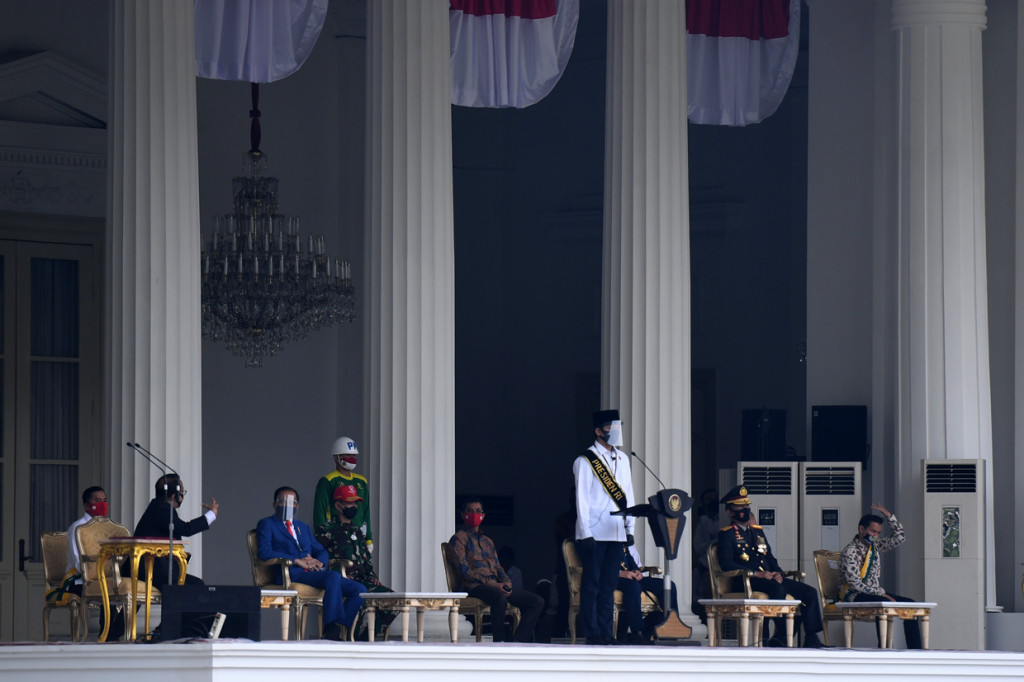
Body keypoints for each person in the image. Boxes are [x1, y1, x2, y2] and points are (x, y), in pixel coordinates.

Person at [716, 485, 825, 648]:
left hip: (769, 578)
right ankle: (775, 638)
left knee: (809, 593)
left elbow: (769, 557)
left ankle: (810, 637)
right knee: (778, 589)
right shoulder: (727, 534)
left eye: (747, 505)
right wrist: (756, 574)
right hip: (747, 580)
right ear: (730, 512)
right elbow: (726, 563)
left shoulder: (757, 532)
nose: (745, 509)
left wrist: (778, 572)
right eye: (740, 506)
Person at [257, 486, 365, 641]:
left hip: (312, 572)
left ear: (297, 506)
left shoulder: (303, 527)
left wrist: (320, 562)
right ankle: (331, 628)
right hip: (291, 573)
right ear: (274, 504)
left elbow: (321, 550)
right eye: (283, 501)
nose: (288, 505)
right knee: (333, 576)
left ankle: (337, 627)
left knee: (359, 589)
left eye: (292, 502)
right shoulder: (267, 524)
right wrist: (296, 560)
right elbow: (264, 552)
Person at [574, 408, 635, 645]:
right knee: (593, 585)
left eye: (618, 427)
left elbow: (628, 494)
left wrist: (630, 528)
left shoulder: (623, 459)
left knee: (608, 585)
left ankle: (606, 632)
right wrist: (585, 533)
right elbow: (582, 500)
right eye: (611, 427)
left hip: (616, 531)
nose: (616, 431)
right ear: (598, 431)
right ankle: (592, 632)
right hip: (594, 533)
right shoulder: (585, 460)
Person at [449, 497, 544, 643]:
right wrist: (494, 585)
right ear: (463, 514)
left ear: (483, 515)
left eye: (478, 511)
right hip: (473, 587)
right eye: (470, 511)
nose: (474, 514)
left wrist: (506, 581)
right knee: (499, 598)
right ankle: (499, 642)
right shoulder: (458, 539)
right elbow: (464, 571)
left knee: (536, 602)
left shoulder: (487, 541)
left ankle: (516, 643)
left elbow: (498, 566)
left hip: (495, 585)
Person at [315, 484, 394, 639]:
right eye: (349, 503)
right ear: (338, 506)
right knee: (361, 596)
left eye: (355, 503)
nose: (353, 506)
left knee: (392, 600)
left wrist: (372, 576)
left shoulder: (357, 531)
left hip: (364, 580)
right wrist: (339, 573)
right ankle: (344, 632)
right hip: (343, 581)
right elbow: (320, 558)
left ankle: (366, 638)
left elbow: (365, 558)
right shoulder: (326, 530)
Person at [838, 503, 922, 649]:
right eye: (873, 531)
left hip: (875, 592)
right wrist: (880, 593)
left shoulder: (874, 547)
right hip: (853, 594)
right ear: (862, 529)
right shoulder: (850, 551)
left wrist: (888, 515)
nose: (875, 536)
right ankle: (883, 648)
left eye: (878, 533)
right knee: (883, 601)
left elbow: (900, 538)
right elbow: (855, 584)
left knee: (911, 604)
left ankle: (916, 650)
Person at [132, 474, 218, 586]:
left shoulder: (158, 506)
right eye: (182, 492)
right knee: (197, 586)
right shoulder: (162, 509)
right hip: (151, 571)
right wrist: (211, 515)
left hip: (156, 568)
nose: (183, 495)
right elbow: (185, 529)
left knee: (197, 584)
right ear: (174, 495)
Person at [65, 486, 126, 640]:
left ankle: (112, 634)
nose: (102, 504)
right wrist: (100, 575)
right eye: (97, 501)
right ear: (87, 505)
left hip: (103, 578)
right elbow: (77, 561)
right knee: (108, 588)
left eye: (105, 500)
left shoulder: (107, 529)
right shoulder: (78, 528)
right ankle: (106, 635)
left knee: (127, 590)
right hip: (79, 581)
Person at [313, 436, 373, 554]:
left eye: (354, 455)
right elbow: (320, 513)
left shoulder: (361, 481)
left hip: (358, 536)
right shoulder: (328, 481)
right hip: (336, 537)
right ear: (336, 457)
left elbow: (366, 512)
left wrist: (369, 539)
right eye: (348, 455)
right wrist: (322, 538)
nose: (352, 458)